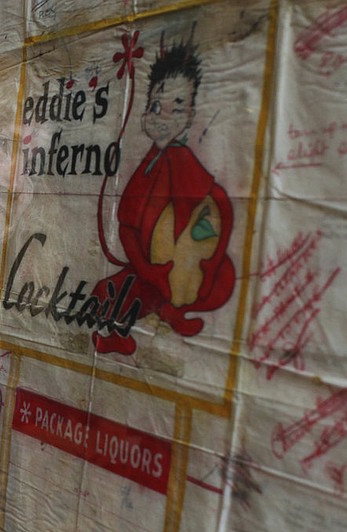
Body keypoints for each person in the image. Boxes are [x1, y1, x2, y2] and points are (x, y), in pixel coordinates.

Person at [91, 37, 235, 355]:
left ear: (190, 114)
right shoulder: (149, 163)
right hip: (147, 266)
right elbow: (128, 217)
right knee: (107, 292)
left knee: (154, 293)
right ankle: (124, 333)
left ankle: (170, 315)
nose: (163, 116)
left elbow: (209, 205)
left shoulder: (181, 161)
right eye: (156, 106)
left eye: (176, 108)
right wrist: (144, 264)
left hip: (174, 269)